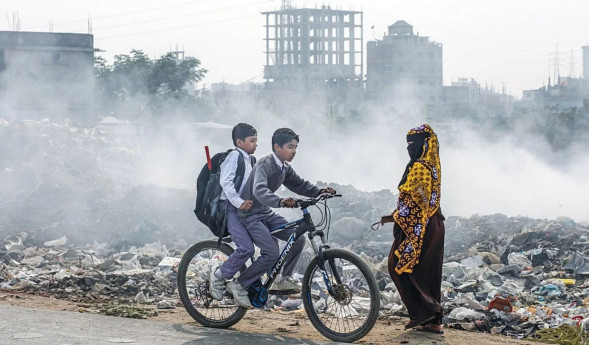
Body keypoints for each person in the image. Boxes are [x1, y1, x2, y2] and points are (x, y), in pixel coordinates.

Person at [233, 128, 336, 306]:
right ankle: (239, 284)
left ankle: (283, 279)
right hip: (250, 215)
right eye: (290, 147)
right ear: (276, 147)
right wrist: (280, 201)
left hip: (265, 213)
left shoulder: (284, 168)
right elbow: (259, 190)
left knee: (298, 238)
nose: (294, 151)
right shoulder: (265, 164)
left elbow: (299, 185)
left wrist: (320, 192)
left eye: (295, 147)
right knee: (271, 253)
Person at [381, 124, 446, 334]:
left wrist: (394, 217)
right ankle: (434, 322)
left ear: (423, 144)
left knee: (399, 265)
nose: (409, 147)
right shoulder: (432, 165)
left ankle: (425, 312)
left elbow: (415, 206)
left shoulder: (419, 167)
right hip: (435, 223)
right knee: (428, 273)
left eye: (412, 143)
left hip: (420, 228)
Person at [208, 123, 258, 308]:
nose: (255, 144)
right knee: (246, 249)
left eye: (256, 141)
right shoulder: (234, 156)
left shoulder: (251, 160)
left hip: (245, 209)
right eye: (252, 141)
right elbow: (226, 183)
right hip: (230, 208)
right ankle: (219, 275)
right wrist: (239, 202)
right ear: (239, 141)